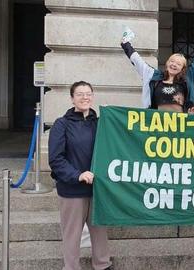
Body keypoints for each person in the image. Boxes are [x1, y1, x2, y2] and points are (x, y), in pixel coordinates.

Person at [49, 81, 112, 270]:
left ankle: (102, 265)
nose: (85, 97)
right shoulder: (62, 124)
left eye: (88, 94)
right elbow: (55, 159)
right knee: (72, 234)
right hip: (72, 190)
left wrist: (112, 117)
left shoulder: (100, 123)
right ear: (72, 98)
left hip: (97, 189)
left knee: (99, 231)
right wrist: (77, 175)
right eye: (80, 94)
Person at [121, 30, 194, 113]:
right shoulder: (154, 76)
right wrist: (126, 44)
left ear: (183, 69)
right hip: (157, 124)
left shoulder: (188, 76)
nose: (174, 64)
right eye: (172, 61)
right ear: (167, 64)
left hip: (178, 125)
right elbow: (138, 62)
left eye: (178, 64)